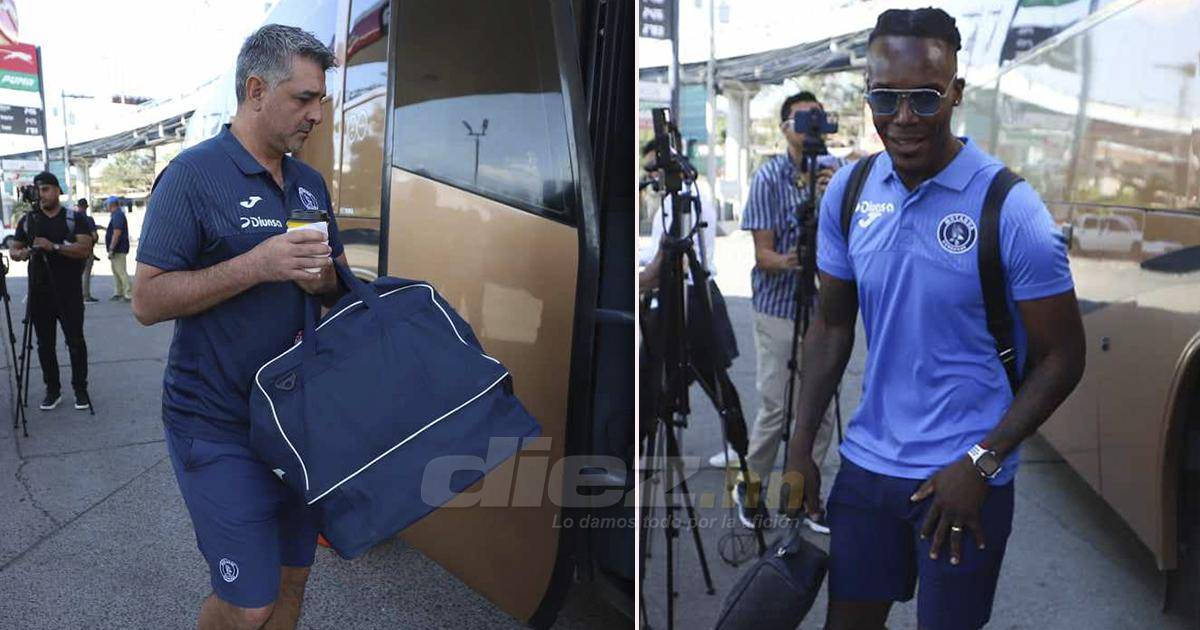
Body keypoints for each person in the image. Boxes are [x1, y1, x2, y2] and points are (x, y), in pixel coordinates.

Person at [783, 8, 1085, 630]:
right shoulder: (849, 192)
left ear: (956, 92)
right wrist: (800, 444)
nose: (903, 117)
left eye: (924, 97)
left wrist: (984, 460)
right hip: (868, 469)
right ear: (868, 93)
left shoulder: (1012, 209)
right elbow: (832, 327)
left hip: (965, 477)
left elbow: (1063, 357)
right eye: (884, 97)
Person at [132, 24, 345, 630]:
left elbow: (333, 286)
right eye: (304, 98)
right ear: (256, 90)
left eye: (321, 99)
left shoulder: (309, 183)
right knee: (249, 604)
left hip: (297, 425)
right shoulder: (192, 175)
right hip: (217, 427)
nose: (317, 114)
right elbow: (146, 300)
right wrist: (258, 264)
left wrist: (322, 280)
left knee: (292, 581)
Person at [727, 90, 845, 533]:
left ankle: (804, 494)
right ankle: (751, 486)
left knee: (822, 409)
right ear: (784, 128)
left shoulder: (838, 173)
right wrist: (794, 257)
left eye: (818, 116)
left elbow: (853, 240)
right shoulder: (768, 176)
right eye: (802, 118)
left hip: (825, 310)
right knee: (776, 406)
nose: (812, 125)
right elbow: (764, 256)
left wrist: (834, 200)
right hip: (778, 306)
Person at [10, 171, 94, 411]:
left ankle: (81, 390)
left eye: (46, 189)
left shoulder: (74, 218)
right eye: (38, 190)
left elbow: (84, 249)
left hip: (68, 292)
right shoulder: (28, 220)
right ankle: (53, 390)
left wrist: (53, 247)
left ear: (57, 190)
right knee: (44, 345)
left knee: (75, 342)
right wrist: (22, 253)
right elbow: (14, 250)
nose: (42, 194)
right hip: (39, 292)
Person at [104, 196, 132, 301]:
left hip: (118, 249)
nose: (106, 206)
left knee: (121, 271)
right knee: (116, 271)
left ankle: (128, 293)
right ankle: (119, 292)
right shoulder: (116, 215)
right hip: (117, 248)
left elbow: (117, 233)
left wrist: (111, 248)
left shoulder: (118, 215)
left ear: (111, 205)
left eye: (107, 204)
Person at [76, 198, 100, 303]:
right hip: (86, 250)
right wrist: (93, 243)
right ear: (86, 207)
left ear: (78, 206)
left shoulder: (73, 218)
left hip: (73, 249)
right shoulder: (89, 219)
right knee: (86, 273)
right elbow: (94, 236)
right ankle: (85, 295)